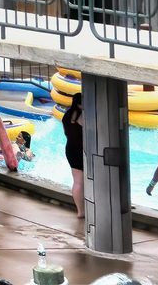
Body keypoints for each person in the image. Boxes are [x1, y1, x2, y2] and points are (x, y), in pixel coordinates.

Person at [62, 90, 85, 218]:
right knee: (81, 182)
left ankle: (80, 210)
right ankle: (82, 211)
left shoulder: (67, 115)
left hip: (70, 148)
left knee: (77, 181)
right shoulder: (83, 116)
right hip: (80, 150)